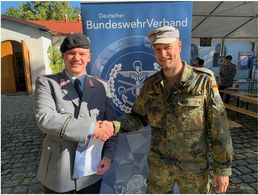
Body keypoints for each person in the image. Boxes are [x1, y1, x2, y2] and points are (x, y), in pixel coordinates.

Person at [96, 26, 233, 193]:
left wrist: (222, 169)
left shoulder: (203, 80)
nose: (163, 54)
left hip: (194, 169)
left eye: (167, 47)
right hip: (159, 168)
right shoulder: (150, 85)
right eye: (158, 49)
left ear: (179, 45)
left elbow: (220, 127)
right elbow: (138, 117)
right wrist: (113, 126)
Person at [33, 33, 117, 193]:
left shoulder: (102, 87)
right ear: (63, 56)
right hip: (58, 172)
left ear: (89, 57)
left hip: (92, 171)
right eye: (71, 53)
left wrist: (108, 156)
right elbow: (45, 119)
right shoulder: (47, 83)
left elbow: (110, 125)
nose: (76, 58)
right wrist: (91, 128)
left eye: (82, 53)